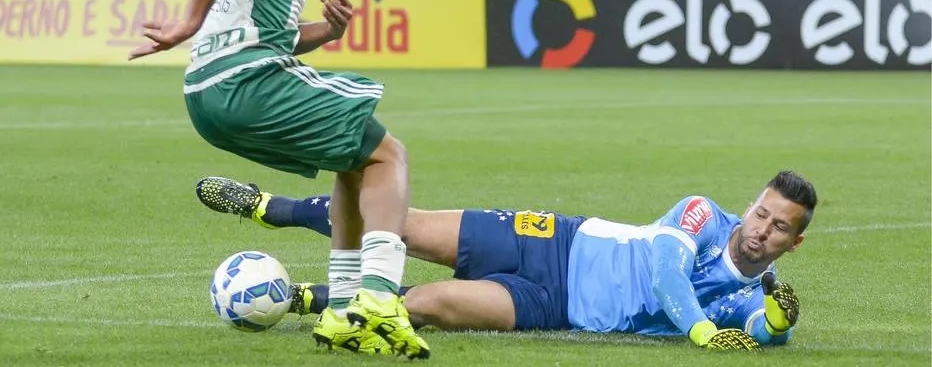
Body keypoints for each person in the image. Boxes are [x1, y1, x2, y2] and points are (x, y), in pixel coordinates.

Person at [126, 0, 428, 360]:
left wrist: (327, 33)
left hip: (208, 93)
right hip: (244, 81)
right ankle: (379, 299)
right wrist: (188, 21)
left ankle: (342, 306)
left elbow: (270, 29)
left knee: (354, 159)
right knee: (388, 154)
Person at [196, 171, 813, 350]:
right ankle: (274, 208)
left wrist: (777, 326)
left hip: (551, 307)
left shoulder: (752, 294)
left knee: (424, 306)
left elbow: (757, 329)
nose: (761, 231)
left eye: (779, 227)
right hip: (553, 242)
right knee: (401, 227)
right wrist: (701, 330)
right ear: (750, 205)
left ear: (794, 242)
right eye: (761, 213)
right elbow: (664, 273)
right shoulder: (703, 214)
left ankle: (309, 298)